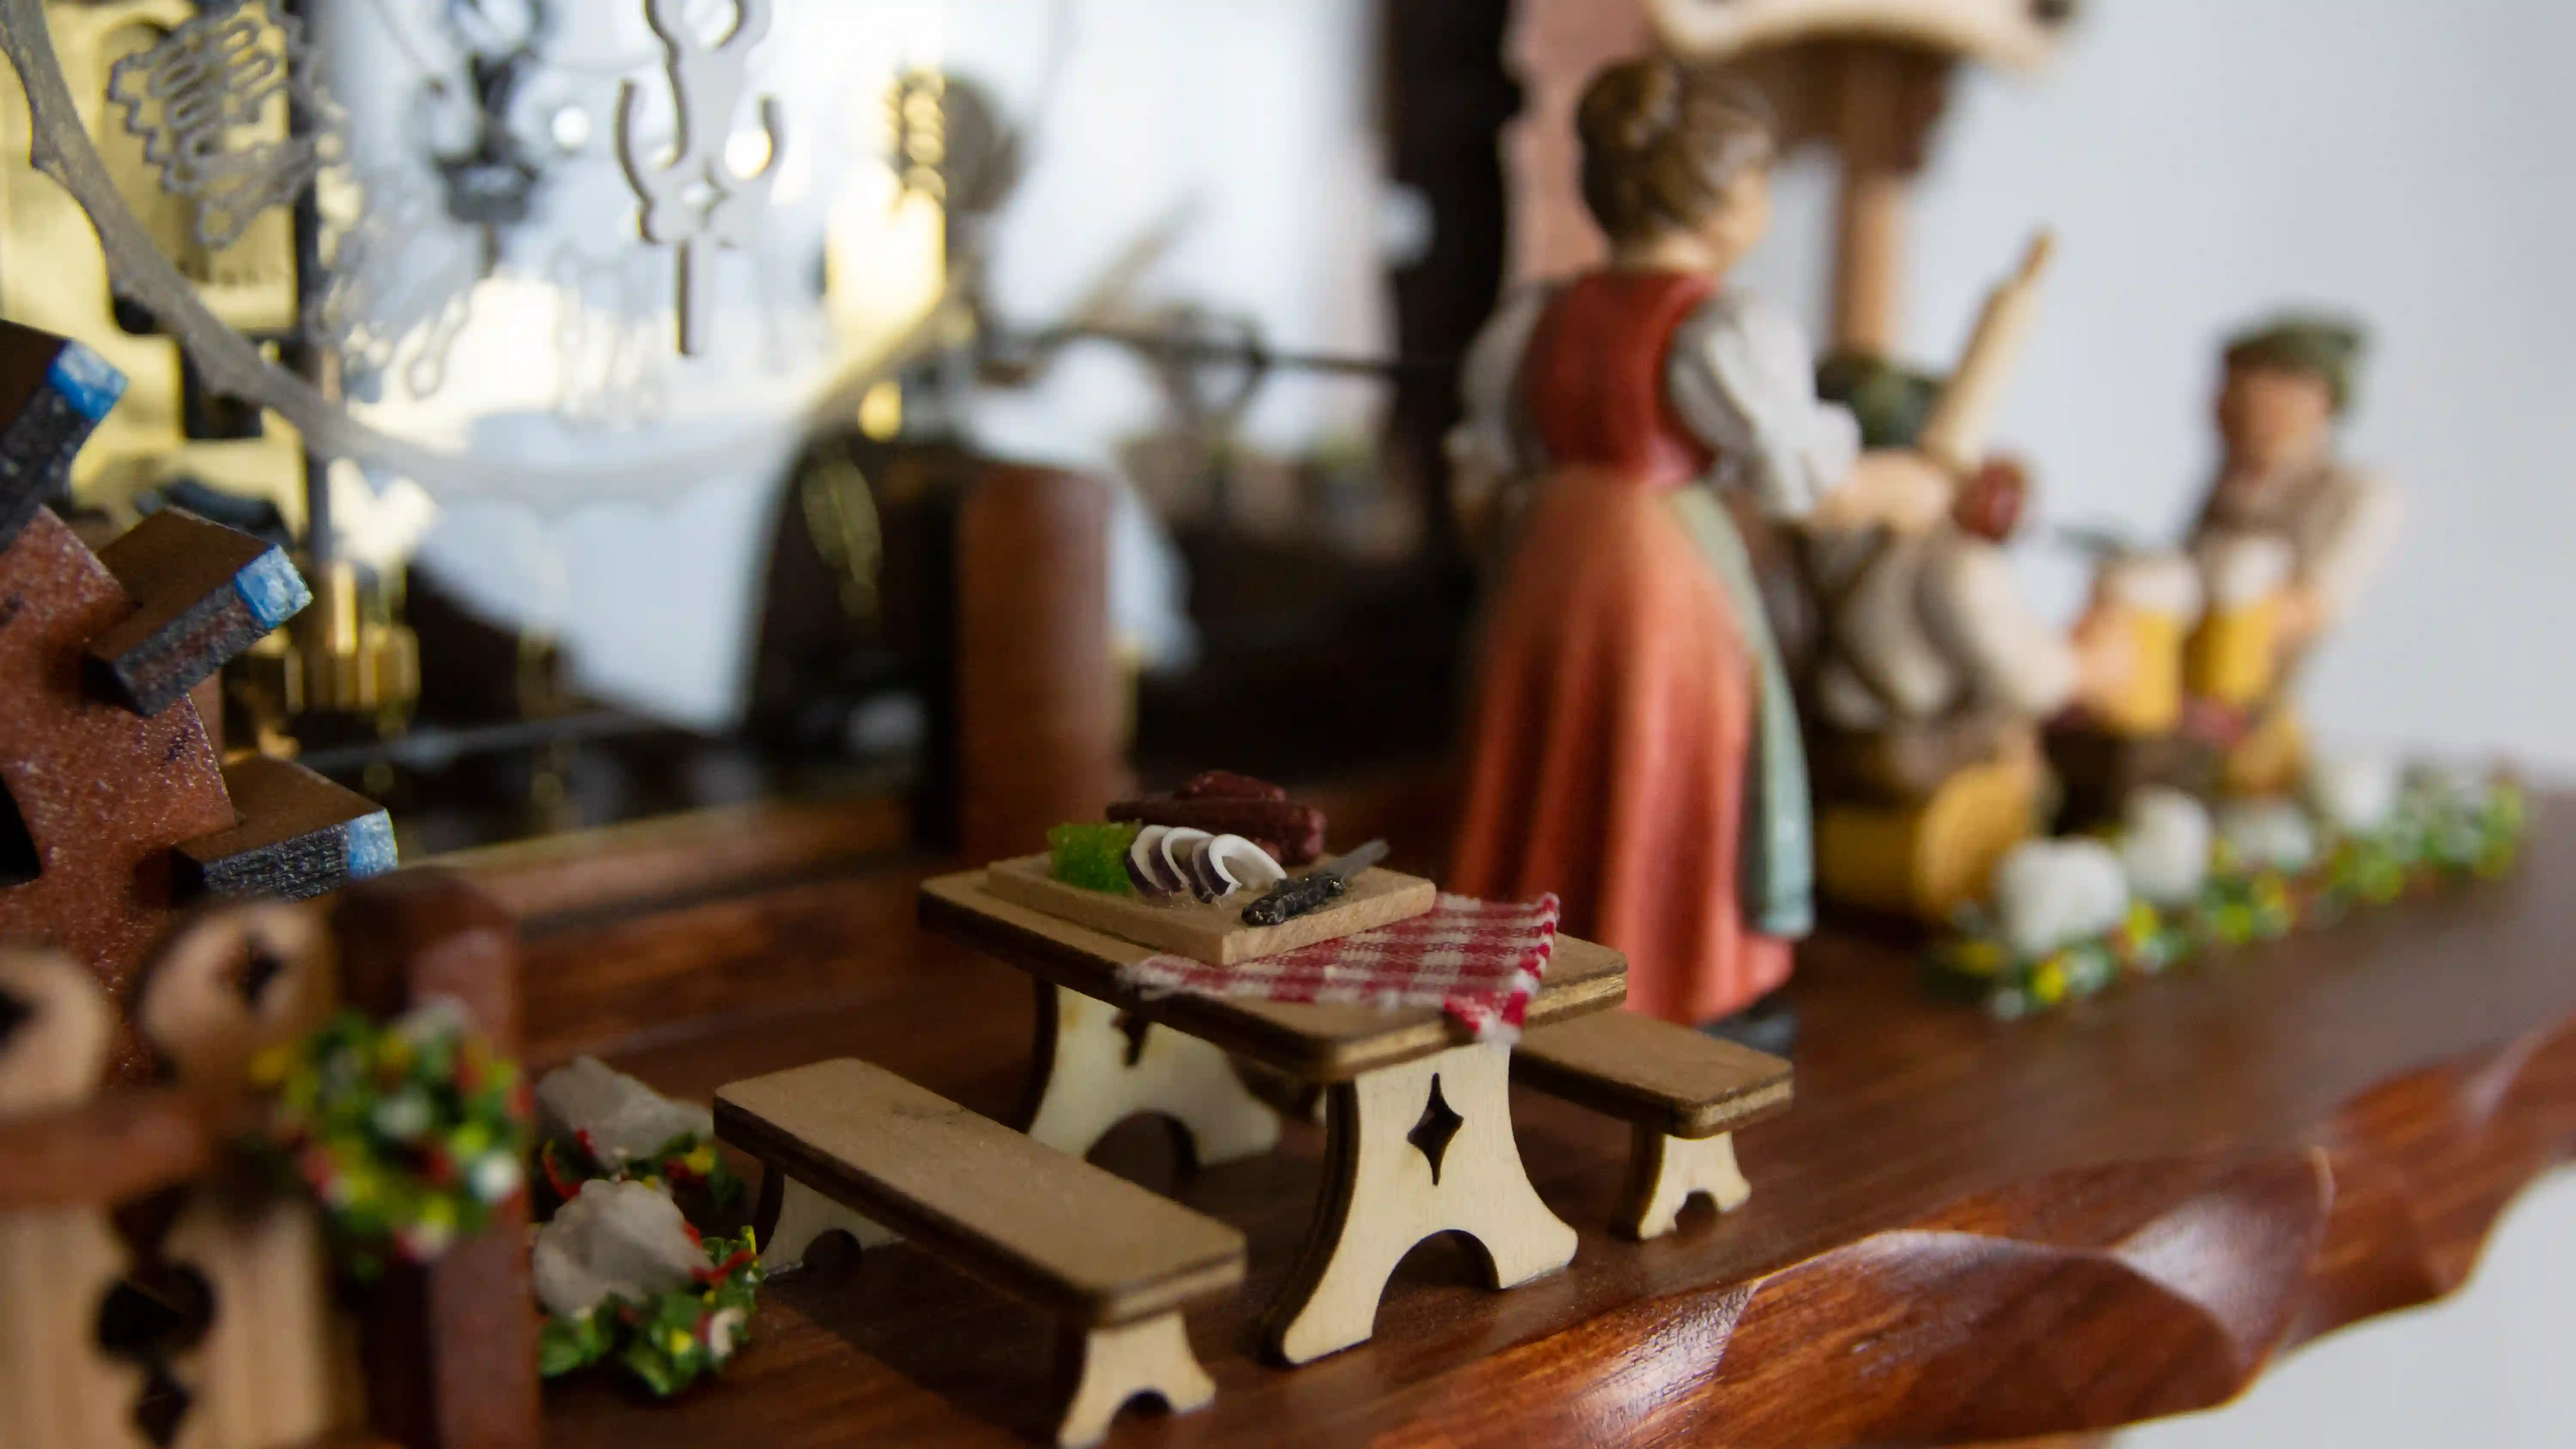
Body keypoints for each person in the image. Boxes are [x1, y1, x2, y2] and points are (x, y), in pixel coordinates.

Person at [1445, 55, 1949, 1035]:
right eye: (1760, 181)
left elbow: (1483, 466)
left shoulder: (1537, 317)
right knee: (1669, 757)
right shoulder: (1723, 327)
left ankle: (1545, 969)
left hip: (1549, 560)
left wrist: (1505, 567)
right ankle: (1667, 977)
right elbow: (1811, 487)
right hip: (1658, 577)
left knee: (1558, 757)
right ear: (1718, 197)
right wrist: (1911, 485)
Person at [2182, 316, 2400, 789]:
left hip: (2246, 709)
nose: (2237, 405)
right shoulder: (2234, 481)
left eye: (2268, 386)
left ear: (2318, 399)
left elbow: (2310, 608)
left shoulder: (2355, 494)